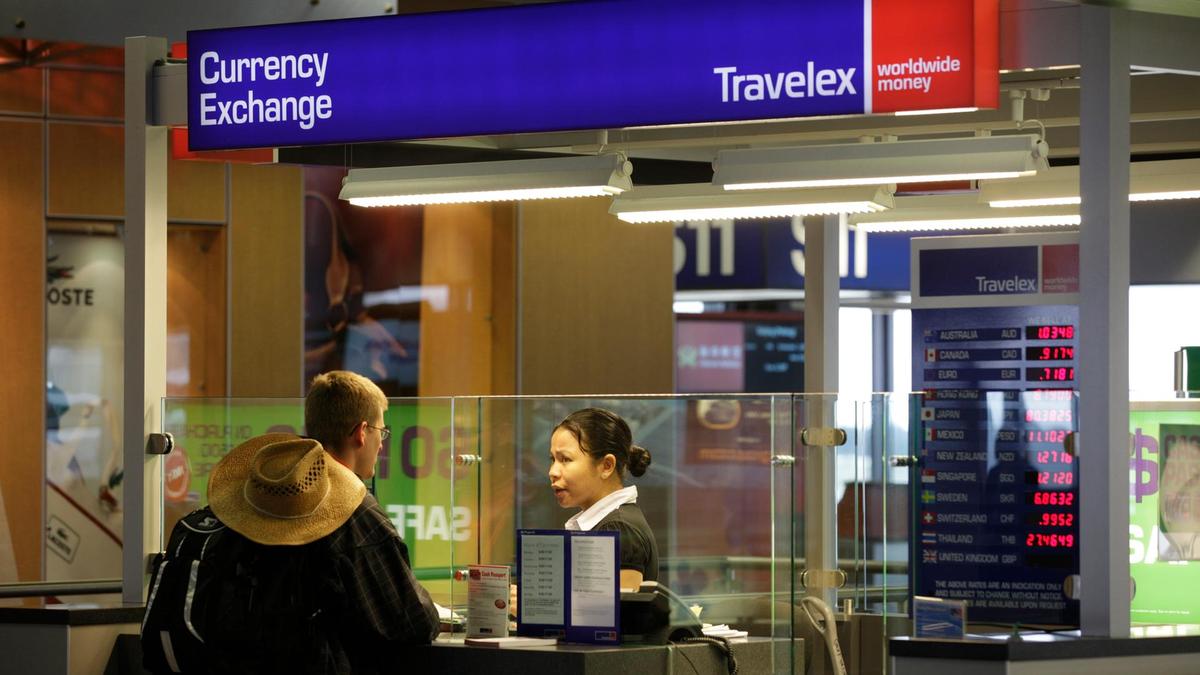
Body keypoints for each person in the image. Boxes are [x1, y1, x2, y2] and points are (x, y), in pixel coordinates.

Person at [192, 370, 438, 673]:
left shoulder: (257, 499)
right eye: (381, 432)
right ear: (361, 432)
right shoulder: (354, 514)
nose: (382, 444)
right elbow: (412, 622)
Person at [548, 407, 658, 588]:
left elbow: (618, 606)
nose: (553, 472)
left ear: (607, 466)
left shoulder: (618, 528)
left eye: (565, 459)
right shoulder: (611, 524)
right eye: (553, 459)